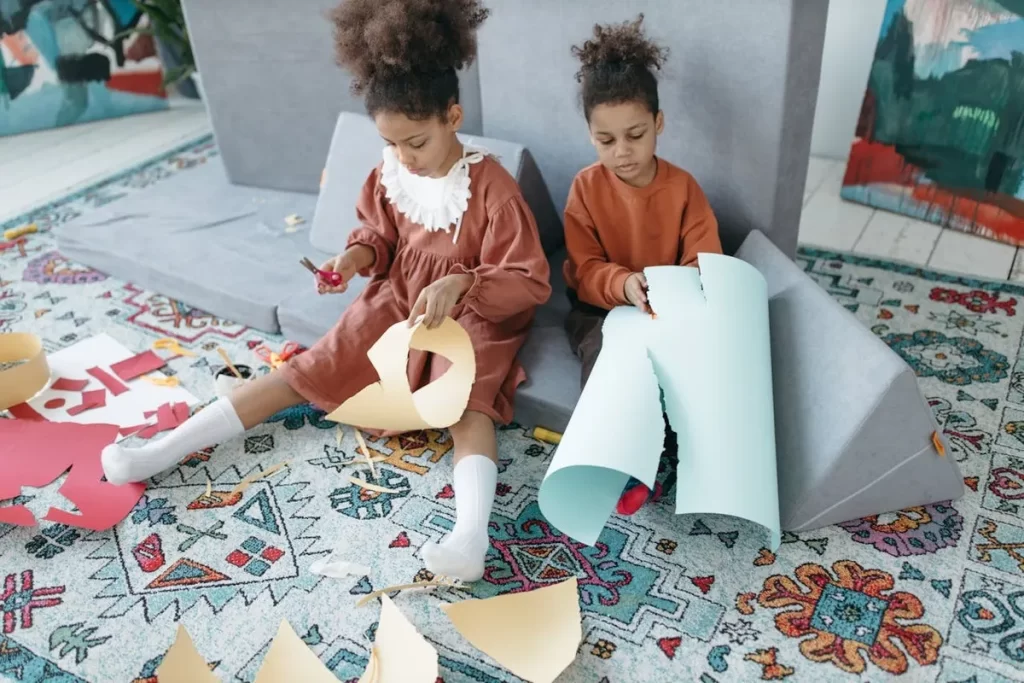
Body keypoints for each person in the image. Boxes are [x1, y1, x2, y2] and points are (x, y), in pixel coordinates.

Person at [101, 0, 551, 583]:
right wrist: (353, 257)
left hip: (477, 314)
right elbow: (378, 239)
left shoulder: (492, 187)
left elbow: (527, 279)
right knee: (309, 369)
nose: (404, 157)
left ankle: (470, 536)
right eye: (392, 144)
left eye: (415, 141)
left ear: (452, 116)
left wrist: (461, 280)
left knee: (467, 406)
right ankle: (163, 450)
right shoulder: (391, 172)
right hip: (398, 300)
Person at [562, 14, 722, 515]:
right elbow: (585, 268)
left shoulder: (682, 188)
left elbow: (705, 259)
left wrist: (669, 296)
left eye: (634, 134)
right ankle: (625, 462)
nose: (623, 152)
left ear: (659, 123)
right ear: (590, 135)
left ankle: (672, 452)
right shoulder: (586, 189)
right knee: (608, 363)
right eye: (605, 141)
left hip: (667, 310)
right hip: (602, 309)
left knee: (677, 368)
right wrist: (625, 286)